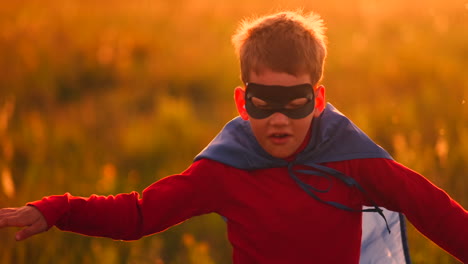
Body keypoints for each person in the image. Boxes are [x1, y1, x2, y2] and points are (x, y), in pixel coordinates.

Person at [0, 10, 467, 264]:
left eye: (296, 101)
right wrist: (59, 210)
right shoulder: (223, 170)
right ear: (242, 103)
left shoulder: (352, 159)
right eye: (264, 102)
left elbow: (433, 209)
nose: (279, 118)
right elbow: (140, 215)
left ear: (319, 100)